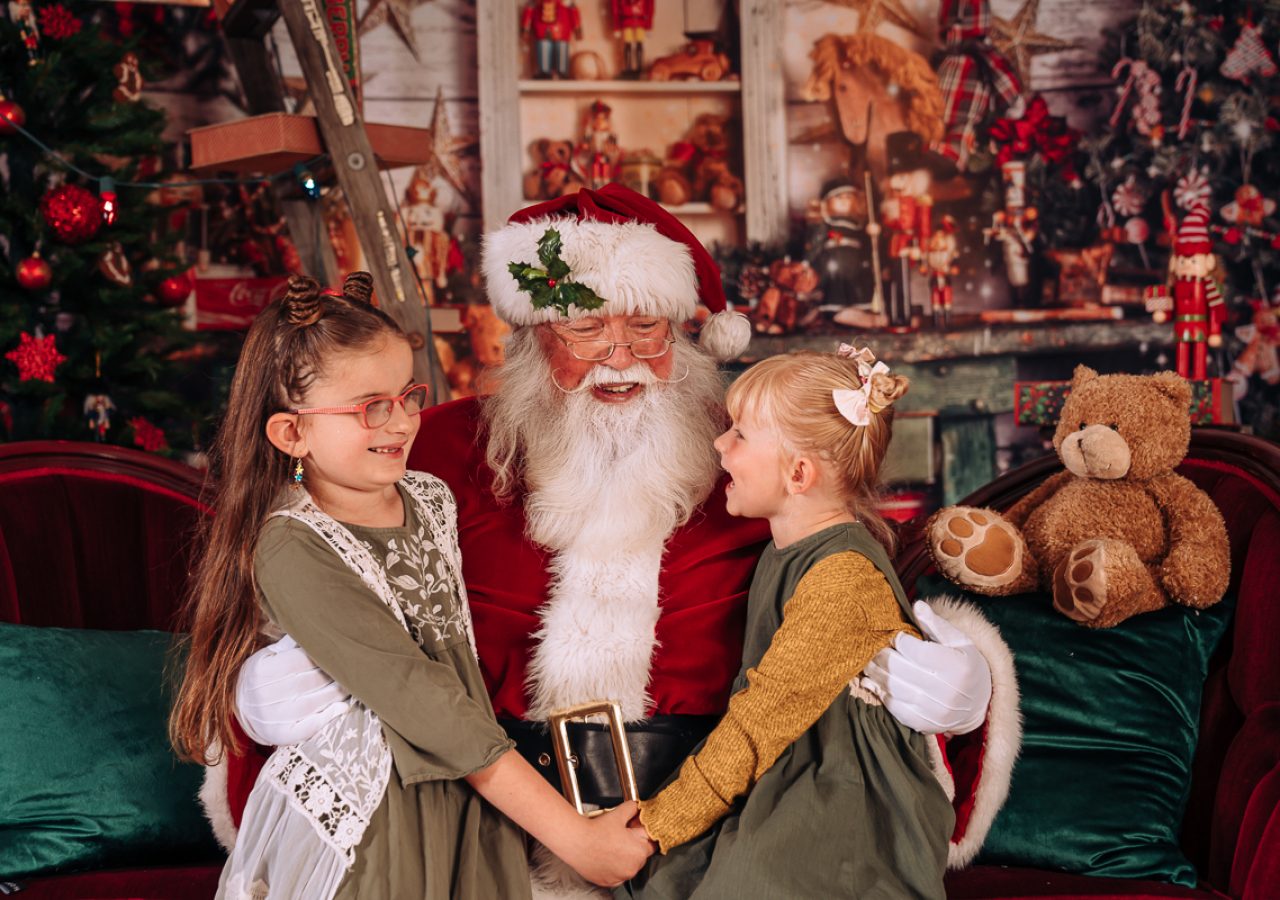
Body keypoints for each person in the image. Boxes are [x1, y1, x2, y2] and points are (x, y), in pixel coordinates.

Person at [221, 186, 1019, 897]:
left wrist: (966, 692)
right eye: (584, 324)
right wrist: (266, 684)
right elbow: (328, 562)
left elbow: (870, 563)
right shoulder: (425, 450)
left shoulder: (752, 454)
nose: (621, 356)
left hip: (712, 845)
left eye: (647, 324)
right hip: (489, 844)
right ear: (535, 335)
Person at [170, 272, 652, 900]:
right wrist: (573, 836)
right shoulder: (292, 544)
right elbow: (417, 693)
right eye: (369, 406)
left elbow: (456, 665)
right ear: (293, 433)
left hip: (468, 796)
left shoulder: (429, 500)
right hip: (380, 814)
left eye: (407, 396)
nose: (399, 423)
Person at [620, 347, 952, 898]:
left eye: (741, 435)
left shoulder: (842, 578)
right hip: (786, 767)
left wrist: (654, 827)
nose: (720, 444)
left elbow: (759, 725)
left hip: (841, 800)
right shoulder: (785, 551)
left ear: (799, 473)